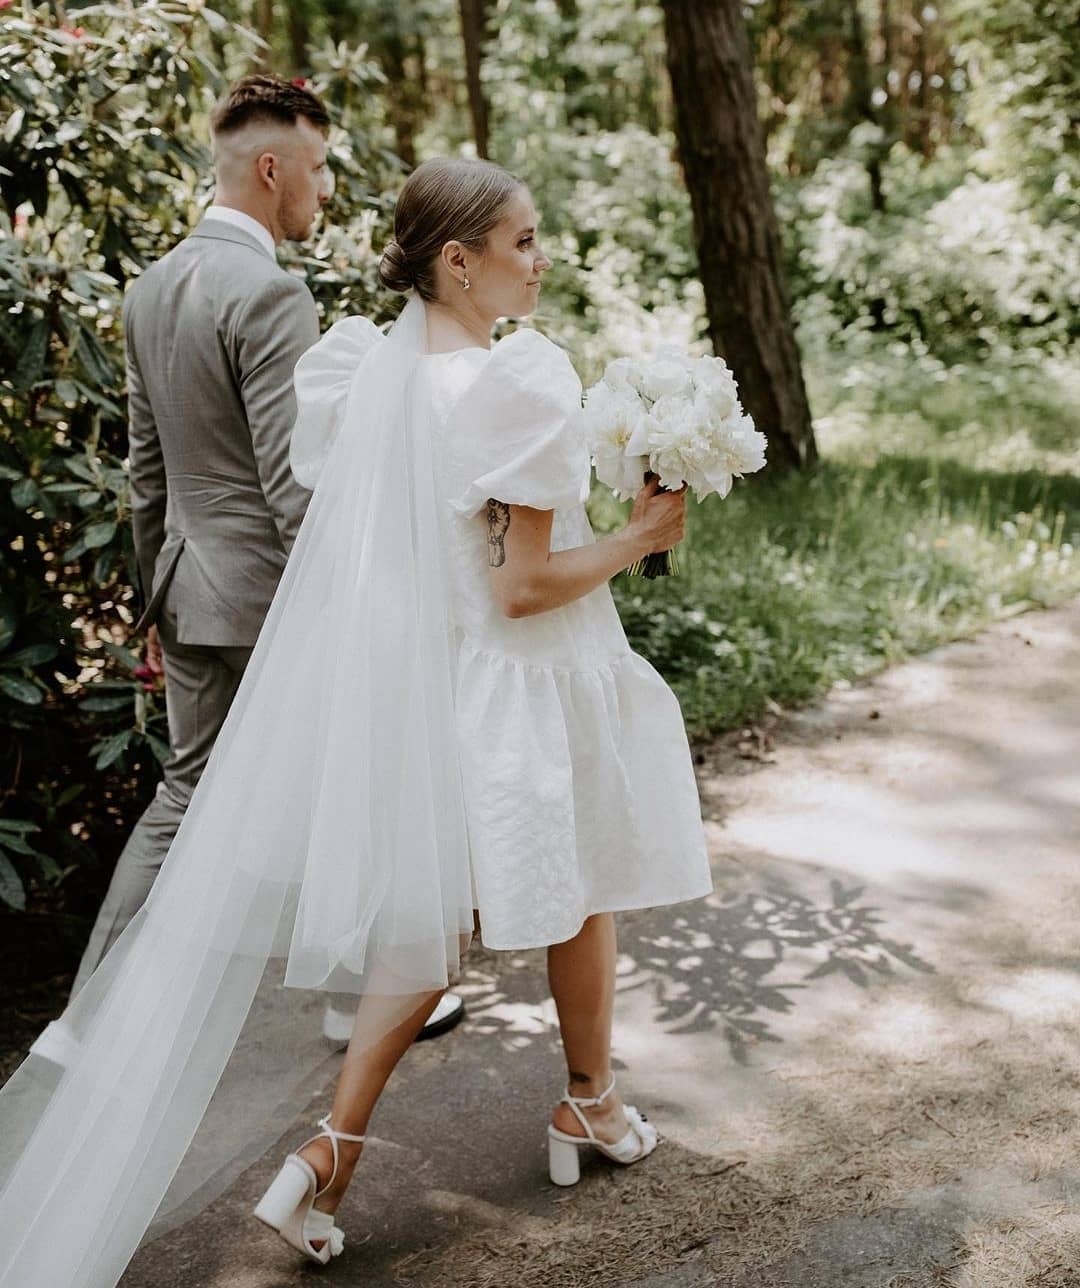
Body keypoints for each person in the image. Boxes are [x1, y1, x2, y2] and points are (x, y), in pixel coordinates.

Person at [0, 156, 711, 1286]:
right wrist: (639, 536)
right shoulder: (518, 383)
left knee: (449, 923)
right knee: (571, 888)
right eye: (522, 241)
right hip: (520, 681)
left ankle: (438, 1130)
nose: (540, 258)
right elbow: (520, 586)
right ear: (457, 259)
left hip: (430, 686)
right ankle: (544, 1112)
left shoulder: (365, 372)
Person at [66, 71, 463, 1043]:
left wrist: (156, 599)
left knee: (184, 792)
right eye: (320, 170)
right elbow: (296, 487)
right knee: (360, 773)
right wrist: (346, 609)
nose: (326, 190)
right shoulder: (273, 294)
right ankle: (361, 992)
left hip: (191, 591)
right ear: (273, 168)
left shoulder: (151, 289)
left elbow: (144, 473)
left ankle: (86, 1012)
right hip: (270, 598)